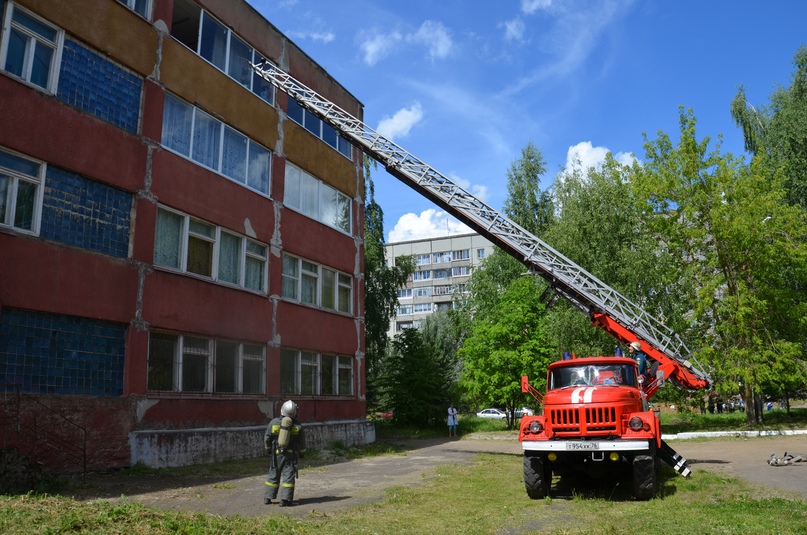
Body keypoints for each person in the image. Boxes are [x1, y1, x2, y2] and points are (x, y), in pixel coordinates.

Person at [264, 400, 306, 506]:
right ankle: (285, 500)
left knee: (273, 474)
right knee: (288, 477)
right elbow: (301, 443)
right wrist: (302, 453)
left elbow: (267, 438)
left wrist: (268, 449)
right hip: (290, 455)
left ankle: (268, 497)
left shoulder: (273, 423)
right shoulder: (298, 426)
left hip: (277, 454)